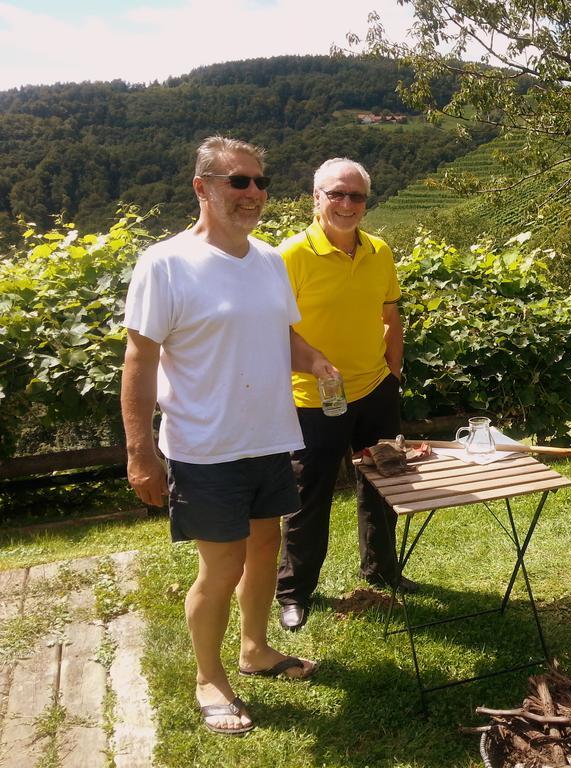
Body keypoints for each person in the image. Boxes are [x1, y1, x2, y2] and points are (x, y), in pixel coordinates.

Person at [121, 136, 335, 735]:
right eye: (238, 181)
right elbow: (139, 361)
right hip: (204, 445)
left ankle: (255, 649)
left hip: (269, 435)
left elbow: (277, 333)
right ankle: (208, 678)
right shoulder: (163, 263)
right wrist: (141, 453)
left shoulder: (268, 259)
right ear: (203, 187)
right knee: (222, 565)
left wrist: (312, 359)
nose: (253, 194)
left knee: (265, 549)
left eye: (260, 182)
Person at [275, 157, 409, 632]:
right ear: (316, 198)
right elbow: (273, 329)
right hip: (313, 399)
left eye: (356, 196)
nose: (347, 204)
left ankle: (382, 571)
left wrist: (392, 374)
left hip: (376, 389)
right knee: (308, 498)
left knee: (384, 484)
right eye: (337, 194)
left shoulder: (380, 251)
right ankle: (294, 592)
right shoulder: (290, 255)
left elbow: (390, 314)